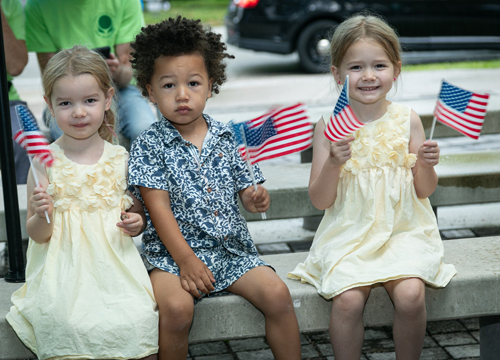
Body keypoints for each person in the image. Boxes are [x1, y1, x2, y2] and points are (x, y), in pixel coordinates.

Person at [128, 17, 301, 360]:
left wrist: (255, 197)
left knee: (278, 295)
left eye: (193, 83)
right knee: (177, 310)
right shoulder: (149, 144)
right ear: (149, 90)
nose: (182, 95)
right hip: (173, 257)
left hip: (231, 252)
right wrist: (186, 259)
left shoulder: (227, 135)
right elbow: (157, 209)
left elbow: (248, 192)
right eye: (168, 86)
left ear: (211, 85)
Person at [287, 13, 457, 360]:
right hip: (349, 232)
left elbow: (424, 190)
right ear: (337, 74)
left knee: (411, 295)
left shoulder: (407, 119)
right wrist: (334, 162)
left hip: (403, 229)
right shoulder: (330, 127)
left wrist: (425, 164)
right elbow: (320, 200)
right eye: (355, 67)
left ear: (395, 70)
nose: (368, 76)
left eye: (378, 65)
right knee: (348, 299)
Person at [6, 46, 159, 360]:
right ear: (49, 104)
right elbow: (36, 234)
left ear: (107, 99)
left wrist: (135, 223)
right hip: (63, 273)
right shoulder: (43, 162)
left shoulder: (120, 158)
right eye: (66, 103)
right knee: (69, 323)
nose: (78, 112)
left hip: (115, 269)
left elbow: (135, 217)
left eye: (89, 101)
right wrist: (44, 213)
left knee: (139, 318)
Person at [24, 0, 156, 145]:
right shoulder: (38, 5)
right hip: (66, 95)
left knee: (144, 129)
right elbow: (49, 78)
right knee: (70, 138)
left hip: (120, 89)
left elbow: (127, 72)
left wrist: (111, 71)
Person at [2, 0, 31, 184]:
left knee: (26, 140)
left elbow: (16, 66)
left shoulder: (9, 4)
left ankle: (25, 210)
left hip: (6, 98)